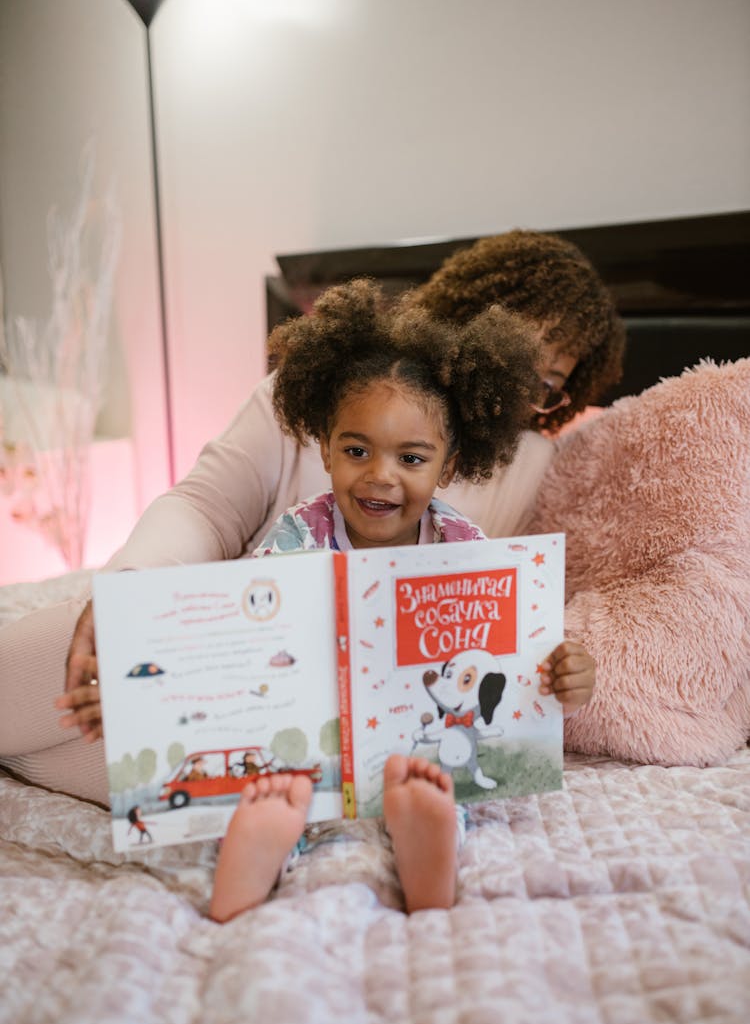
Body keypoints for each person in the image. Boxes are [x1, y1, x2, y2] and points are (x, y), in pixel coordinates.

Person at [1, 228, 623, 804]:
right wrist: (132, 587)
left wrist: (558, 673)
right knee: (91, 653)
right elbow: (204, 506)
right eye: (509, 348)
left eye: (544, 382)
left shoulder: (534, 462)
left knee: (217, 762)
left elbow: (498, 626)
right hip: (225, 647)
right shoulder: (309, 394)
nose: (515, 387)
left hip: (337, 724)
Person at [208, 279, 595, 922]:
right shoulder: (297, 537)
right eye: (356, 450)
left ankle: (427, 843)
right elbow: (254, 635)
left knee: (447, 781)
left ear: (446, 467)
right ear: (325, 448)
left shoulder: (464, 546)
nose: (380, 475)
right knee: (272, 788)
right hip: (320, 742)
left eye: (410, 458)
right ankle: (256, 852)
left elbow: (506, 656)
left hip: (416, 742)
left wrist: (562, 674)